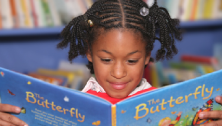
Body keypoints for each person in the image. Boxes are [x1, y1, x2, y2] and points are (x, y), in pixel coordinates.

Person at [0, 0, 221, 125]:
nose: (118, 72)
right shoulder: (71, 105)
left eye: (132, 60)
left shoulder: (165, 107)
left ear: (146, 56)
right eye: (106, 59)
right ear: (88, 53)